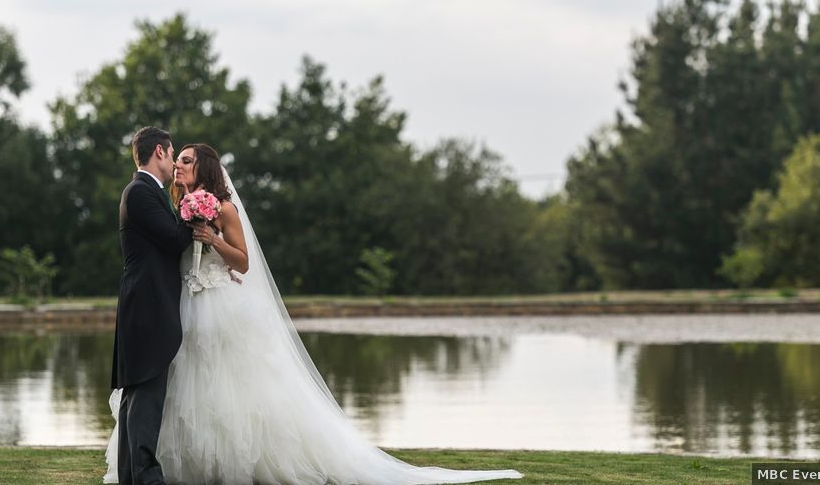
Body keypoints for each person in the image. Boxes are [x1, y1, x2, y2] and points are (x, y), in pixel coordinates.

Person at [104, 142, 523, 484]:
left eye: (186, 160)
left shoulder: (221, 207)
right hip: (185, 306)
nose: (178, 166)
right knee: (186, 388)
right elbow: (173, 247)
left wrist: (211, 239)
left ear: (206, 168)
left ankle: (235, 462)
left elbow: (242, 262)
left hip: (217, 307)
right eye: (175, 159)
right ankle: (175, 467)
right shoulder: (173, 204)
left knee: (228, 385)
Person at [111, 127, 194, 485]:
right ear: (158, 151)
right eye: (173, 152)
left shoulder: (147, 191)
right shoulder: (142, 193)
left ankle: (132, 476)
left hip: (144, 306)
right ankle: (146, 476)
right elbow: (176, 239)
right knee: (145, 397)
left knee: (138, 395)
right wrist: (198, 211)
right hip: (147, 308)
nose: (175, 160)